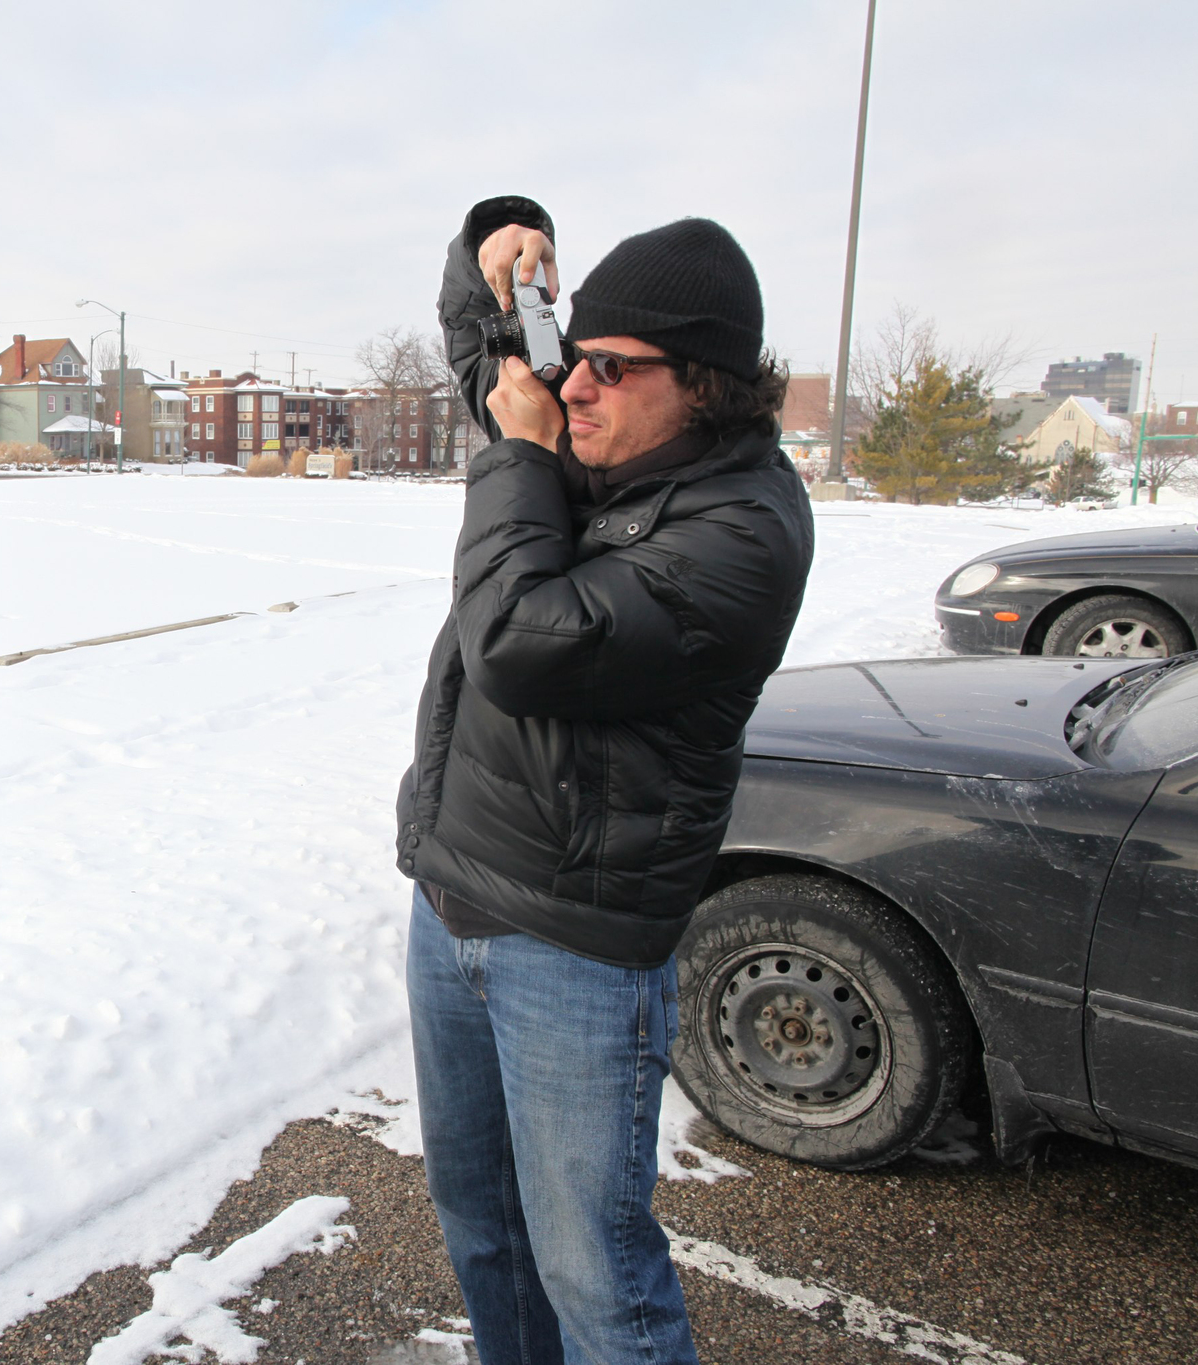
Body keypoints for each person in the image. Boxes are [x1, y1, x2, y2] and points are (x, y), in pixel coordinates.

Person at [398, 195, 814, 1364]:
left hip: (574, 950)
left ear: (704, 387)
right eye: (572, 357)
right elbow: (492, 352)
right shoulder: (607, 441)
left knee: (593, 1271)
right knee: (481, 1227)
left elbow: (521, 642)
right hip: (451, 903)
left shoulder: (739, 532)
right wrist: (497, 239)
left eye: (609, 370)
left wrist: (521, 455)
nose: (570, 387)